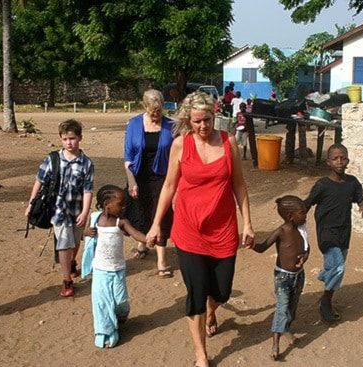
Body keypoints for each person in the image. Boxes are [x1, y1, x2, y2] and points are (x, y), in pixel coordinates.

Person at [146, 91, 255, 367]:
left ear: (214, 116)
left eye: (207, 120)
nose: (203, 126)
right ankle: (201, 355)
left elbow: (239, 185)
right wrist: (156, 224)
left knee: (222, 291)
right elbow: (169, 186)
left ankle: (212, 308)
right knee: (196, 292)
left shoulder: (228, 142)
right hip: (189, 230)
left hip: (223, 230)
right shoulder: (181, 145)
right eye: (197, 122)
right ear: (188, 121)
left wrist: (248, 224)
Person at [26, 119, 94, 297]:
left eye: (72, 138)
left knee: (75, 242)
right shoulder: (52, 159)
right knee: (64, 243)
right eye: (64, 139)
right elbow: (39, 182)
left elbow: (88, 190)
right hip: (58, 211)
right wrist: (31, 204)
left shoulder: (86, 164)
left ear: (80, 138)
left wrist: (85, 212)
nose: (68, 143)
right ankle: (67, 280)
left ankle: (71, 263)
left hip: (77, 210)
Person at [303, 143, 363, 322]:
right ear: (328, 162)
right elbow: (306, 204)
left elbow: (358, 198)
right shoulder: (322, 185)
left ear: (348, 160)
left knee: (335, 267)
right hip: (326, 233)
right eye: (335, 158)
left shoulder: (352, 182)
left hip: (344, 233)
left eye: (343, 158)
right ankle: (325, 301)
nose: (340, 161)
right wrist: (294, 224)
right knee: (338, 266)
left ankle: (326, 276)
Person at [83, 184, 147, 348]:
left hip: (117, 269)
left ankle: (120, 315)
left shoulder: (121, 223)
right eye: (121, 204)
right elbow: (83, 233)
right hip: (100, 270)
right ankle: (105, 332)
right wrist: (86, 233)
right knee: (102, 303)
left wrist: (149, 239)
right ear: (106, 205)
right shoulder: (96, 219)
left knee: (120, 300)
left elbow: (136, 234)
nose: (124, 207)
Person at [250, 195, 310, 361]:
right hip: (283, 277)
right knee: (282, 308)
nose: (306, 216)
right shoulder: (281, 232)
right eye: (302, 213)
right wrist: (252, 244)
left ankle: (286, 329)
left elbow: (307, 248)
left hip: (298, 276)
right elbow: (263, 248)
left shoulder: (302, 228)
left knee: (292, 307)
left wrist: (304, 257)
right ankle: (275, 343)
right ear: (291, 216)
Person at [123, 89, 175, 278]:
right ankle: (142, 243)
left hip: (162, 177)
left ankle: (161, 260)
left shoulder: (171, 125)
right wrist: (131, 181)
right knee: (142, 210)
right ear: (145, 107)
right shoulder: (134, 124)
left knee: (160, 215)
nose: (156, 116)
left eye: (159, 112)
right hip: (138, 175)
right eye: (153, 113)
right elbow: (128, 156)